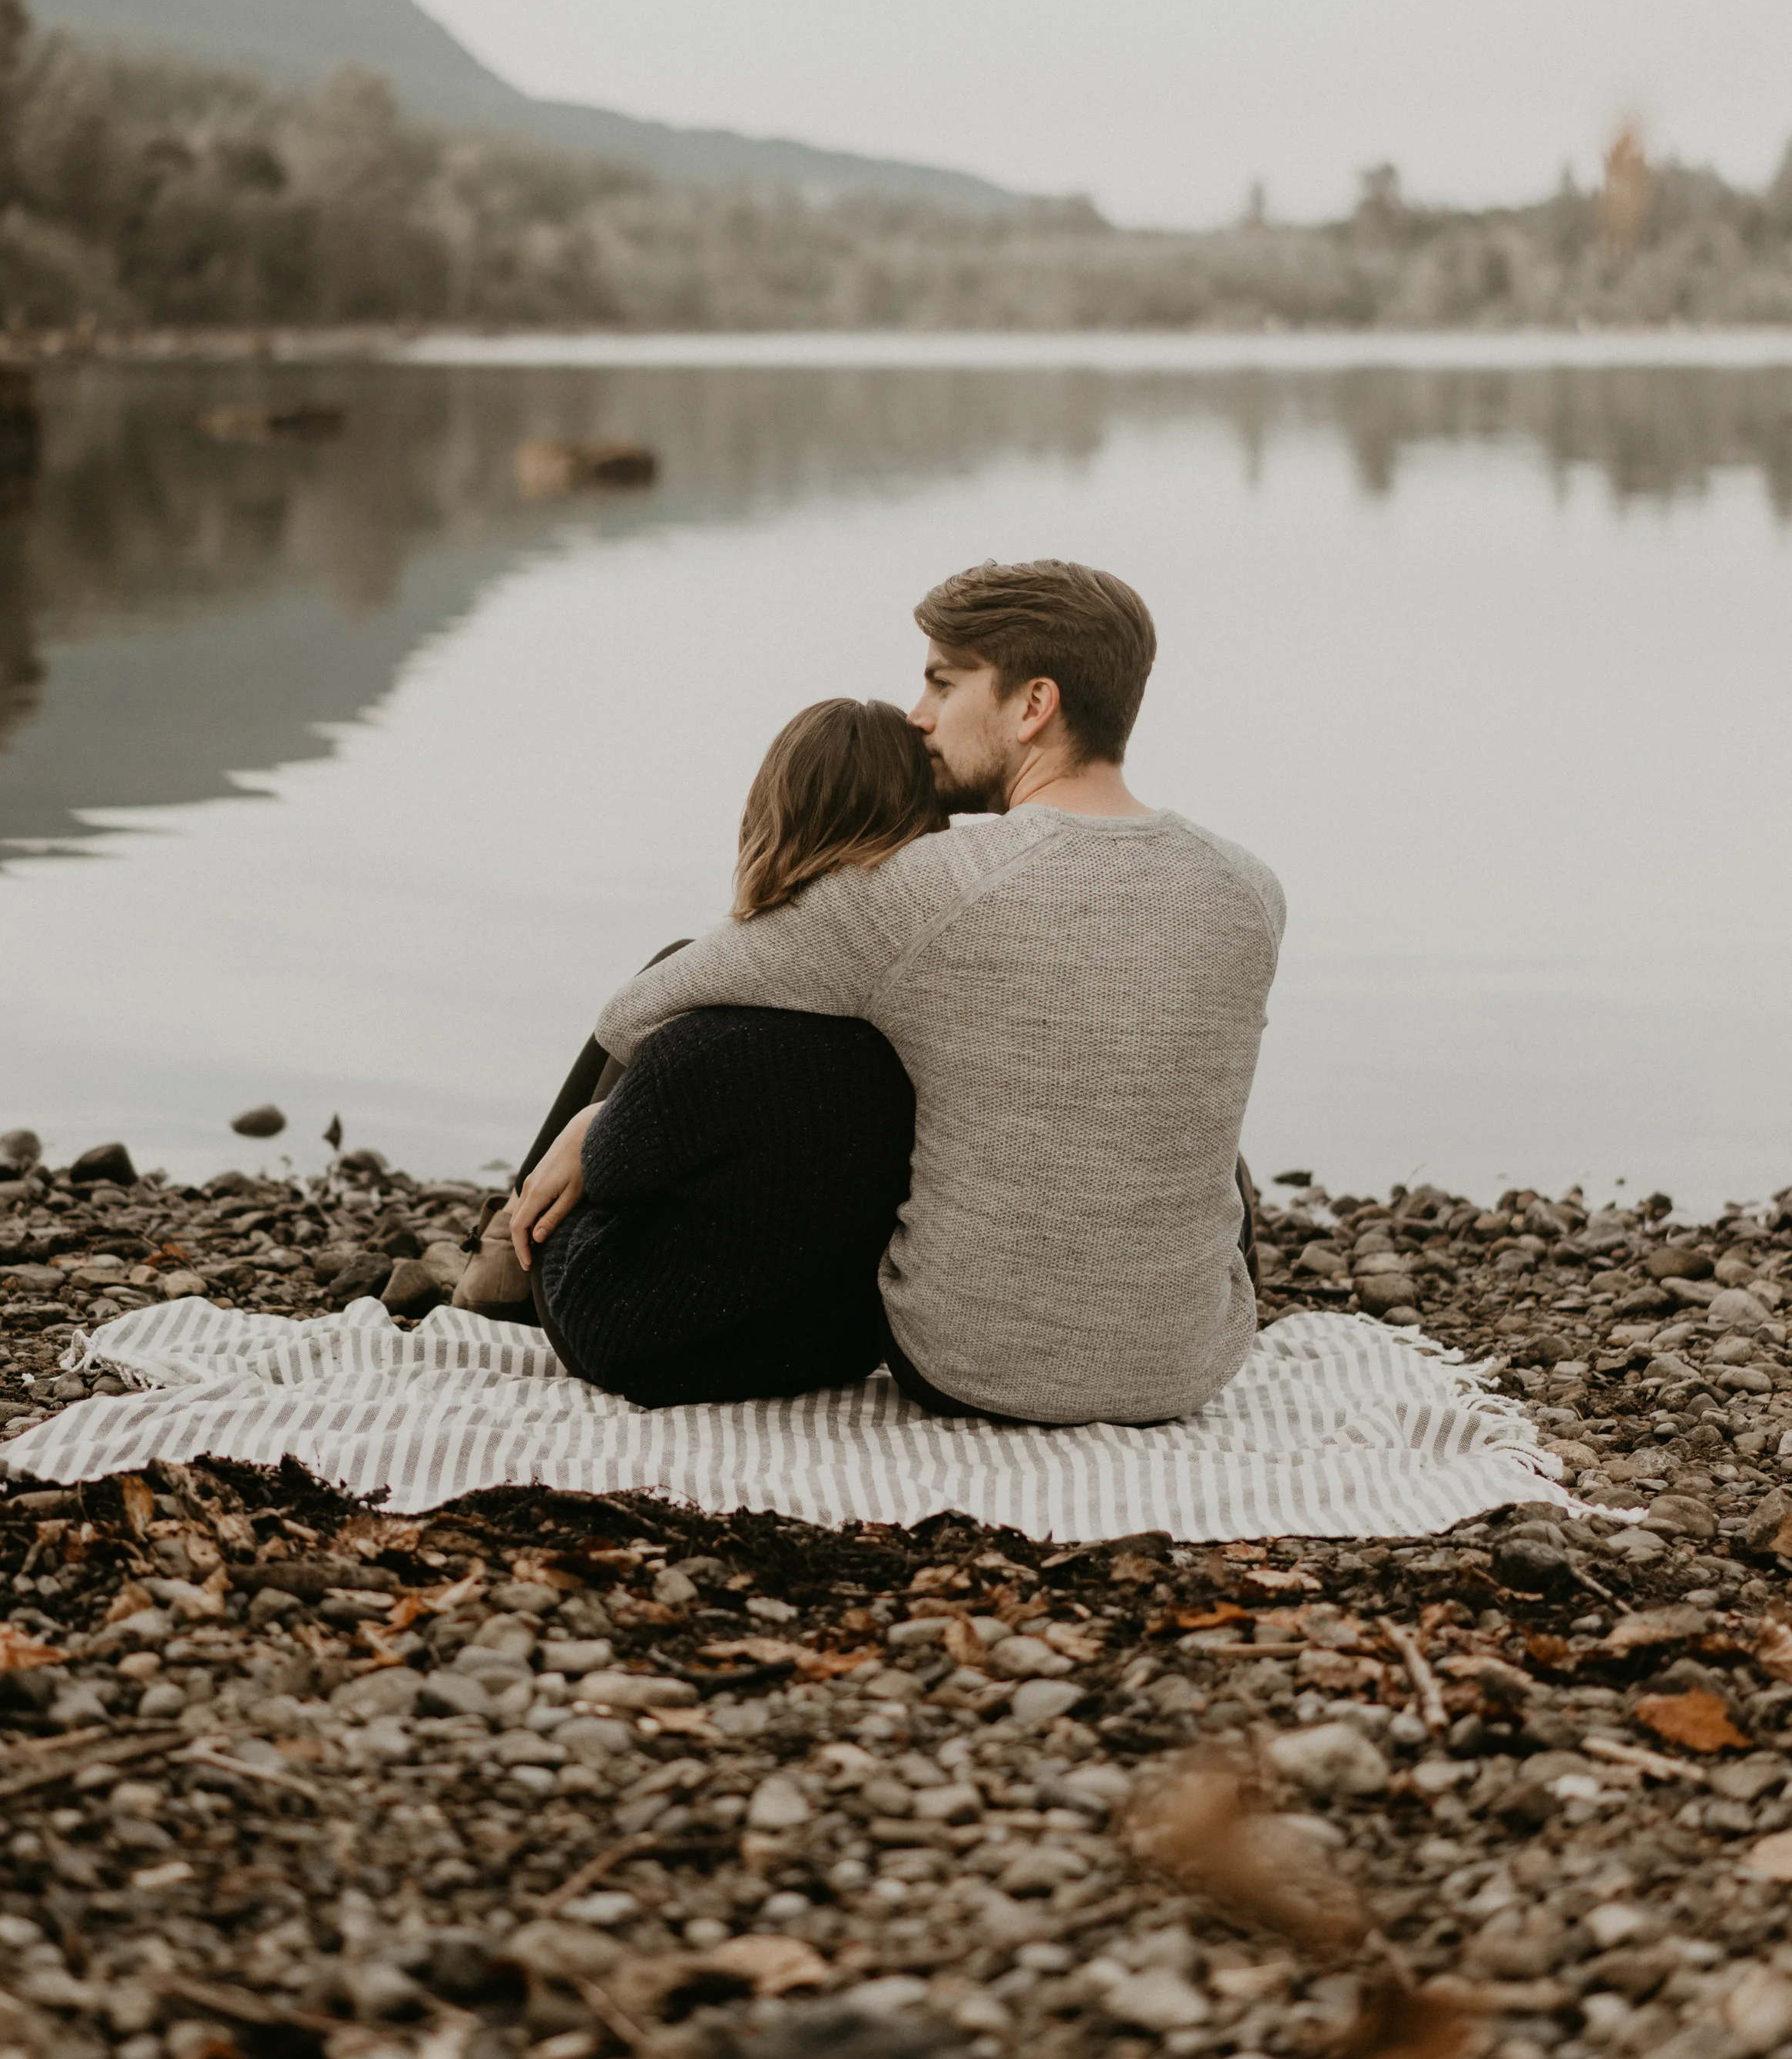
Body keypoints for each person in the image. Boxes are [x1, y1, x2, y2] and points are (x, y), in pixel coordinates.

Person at [514, 558, 1284, 1426]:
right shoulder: (1248, 888)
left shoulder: (923, 888)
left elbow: (645, 1003)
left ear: (1033, 706)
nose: (917, 717)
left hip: (965, 1365)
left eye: (942, 684)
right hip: (1189, 1370)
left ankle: (507, 1254)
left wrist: (599, 1125)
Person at [456, 697, 939, 1406]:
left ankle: (505, 1247)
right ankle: (503, 1237)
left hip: (642, 1343)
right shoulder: (935, 1033)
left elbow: (617, 1177)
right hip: (831, 1345)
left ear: (772, 815)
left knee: (674, 970)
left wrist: (596, 1126)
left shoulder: (699, 1042)